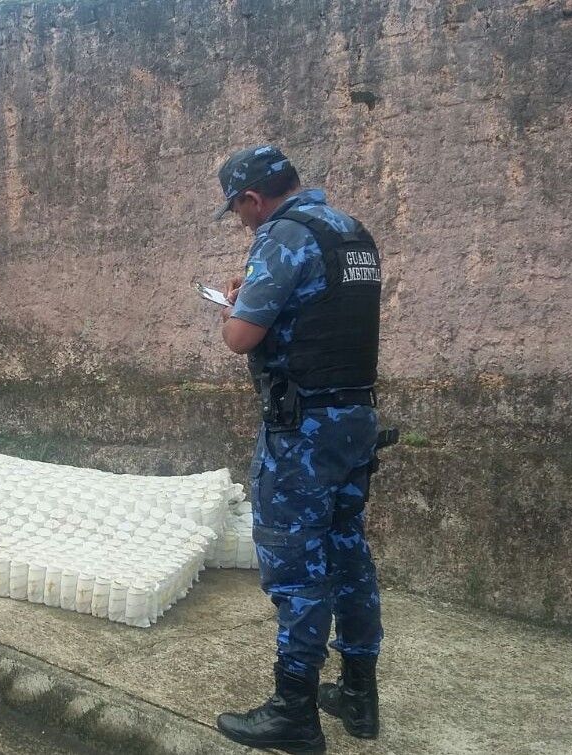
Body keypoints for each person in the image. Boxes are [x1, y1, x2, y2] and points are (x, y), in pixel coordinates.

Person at [211, 145, 385, 755]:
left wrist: (234, 305)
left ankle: (294, 712)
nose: (240, 220)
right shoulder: (351, 232)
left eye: (237, 209)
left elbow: (241, 337)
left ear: (252, 199)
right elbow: (320, 313)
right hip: (355, 418)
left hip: (303, 429)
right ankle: (360, 695)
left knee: (296, 566)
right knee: (348, 553)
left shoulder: (281, 236)